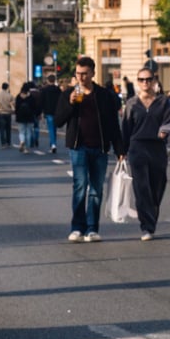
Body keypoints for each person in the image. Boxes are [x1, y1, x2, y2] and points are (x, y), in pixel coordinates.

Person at [54, 56, 122, 243]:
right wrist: (70, 104)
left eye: (84, 74)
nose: (81, 77)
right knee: (80, 187)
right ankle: (77, 227)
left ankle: (92, 228)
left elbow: (113, 123)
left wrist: (119, 149)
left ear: (93, 73)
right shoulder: (70, 93)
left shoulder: (104, 95)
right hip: (79, 148)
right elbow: (58, 120)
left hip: (100, 148)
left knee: (96, 190)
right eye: (78, 74)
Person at [120, 68, 170, 241]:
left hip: (157, 148)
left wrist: (164, 130)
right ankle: (146, 226)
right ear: (137, 82)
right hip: (137, 148)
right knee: (141, 187)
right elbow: (126, 127)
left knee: (157, 186)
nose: (145, 83)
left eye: (148, 79)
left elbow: (168, 120)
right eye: (141, 80)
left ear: (154, 81)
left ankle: (151, 217)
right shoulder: (132, 103)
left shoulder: (162, 101)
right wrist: (122, 150)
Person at [15, 82, 41, 153]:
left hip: (20, 117)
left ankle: (22, 141)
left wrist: (16, 114)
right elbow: (34, 107)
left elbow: (16, 107)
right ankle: (26, 147)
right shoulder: (31, 97)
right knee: (29, 132)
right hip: (29, 117)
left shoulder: (18, 97)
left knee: (21, 131)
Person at [40, 74, 61, 153]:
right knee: (54, 129)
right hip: (57, 111)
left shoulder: (44, 90)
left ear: (48, 81)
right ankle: (53, 143)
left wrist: (42, 111)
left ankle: (53, 144)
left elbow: (42, 101)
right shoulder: (58, 89)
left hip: (48, 111)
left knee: (51, 129)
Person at [0, 83, 14, 149]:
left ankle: (3, 143)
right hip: (8, 113)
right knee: (8, 129)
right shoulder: (10, 95)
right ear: (7, 87)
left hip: (1, 113)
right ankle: (8, 142)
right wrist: (12, 111)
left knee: (2, 129)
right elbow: (13, 105)